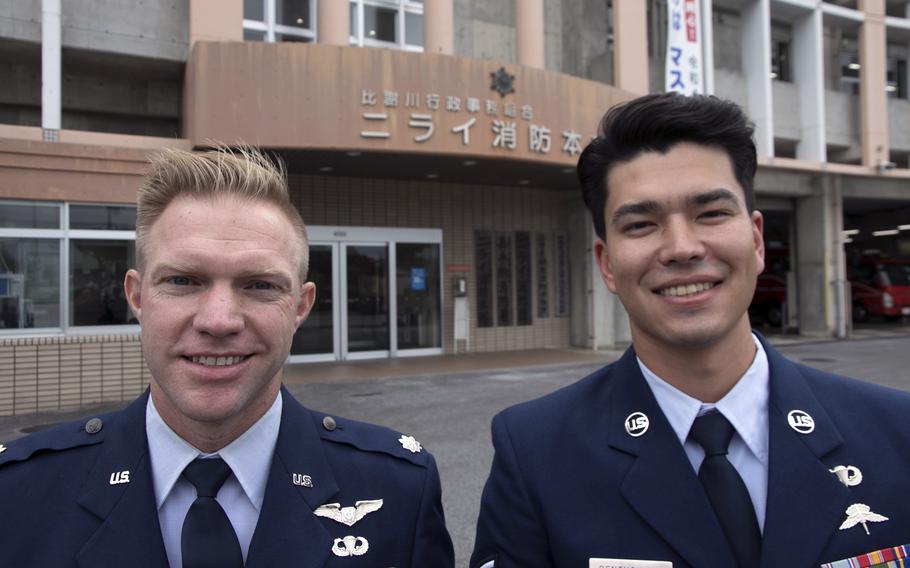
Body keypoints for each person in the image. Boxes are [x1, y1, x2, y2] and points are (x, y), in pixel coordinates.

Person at [470, 93, 910, 568]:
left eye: (711, 214)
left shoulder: (896, 431)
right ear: (607, 264)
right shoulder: (536, 453)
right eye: (641, 224)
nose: (681, 248)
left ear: (757, 240)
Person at [0, 146, 454, 567]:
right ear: (137, 297)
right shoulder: (18, 491)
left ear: (300, 306)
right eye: (183, 281)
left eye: (260, 285)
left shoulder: (399, 489)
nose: (219, 321)